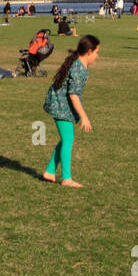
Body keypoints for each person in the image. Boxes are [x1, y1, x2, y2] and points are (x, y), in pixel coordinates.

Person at [42, 35, 100, 188]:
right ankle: (66, 179)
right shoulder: (78, 68)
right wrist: (84, 117)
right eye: (96, 52)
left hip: (60, 104)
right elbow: (73, 95)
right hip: (59, 105)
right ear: (89, 51)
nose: (97, 56)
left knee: (66, 139)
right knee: (68, 140)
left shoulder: (80, 64)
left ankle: (50, 171)